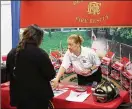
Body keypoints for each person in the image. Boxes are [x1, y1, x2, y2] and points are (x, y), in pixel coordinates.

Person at [6, 24, 56, 109]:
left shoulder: (12, 53)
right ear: (39, 39)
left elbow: (9, 72)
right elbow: (50, 74)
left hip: (20, 98)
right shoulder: (40, 54)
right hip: (38, 99)